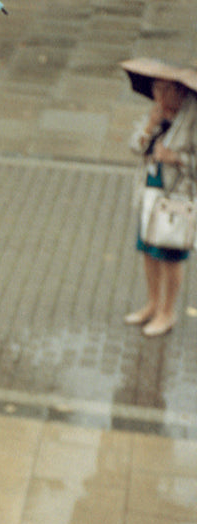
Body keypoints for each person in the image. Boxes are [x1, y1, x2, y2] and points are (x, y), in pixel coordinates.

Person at [123, 64, 197, 338]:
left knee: (170, 256)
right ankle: (152, 304)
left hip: (177, 200)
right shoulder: (155, 113)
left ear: (179, 91)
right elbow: (135, 146)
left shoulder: (192, 119)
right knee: (148, 251)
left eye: (164, 89)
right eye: (155, 88)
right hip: (150, 194)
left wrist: (176, 158)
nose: (158, 94)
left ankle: (168, 311)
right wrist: (150, 124)